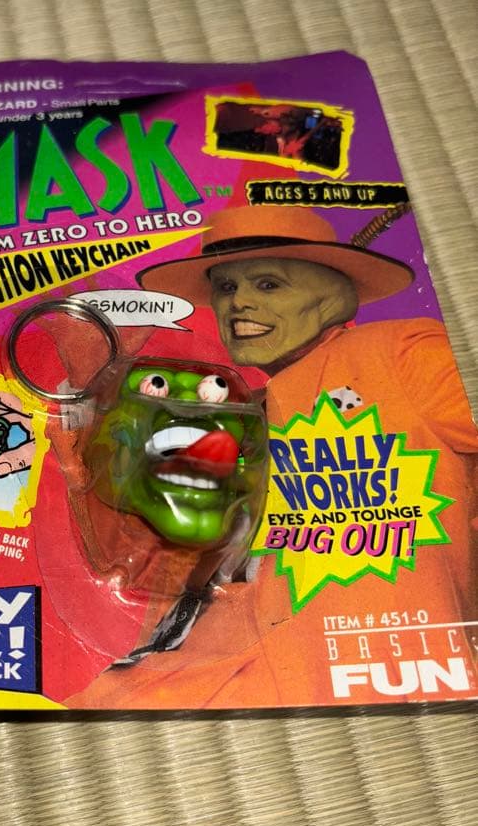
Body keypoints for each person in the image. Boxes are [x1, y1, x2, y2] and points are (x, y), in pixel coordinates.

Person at [67, 205, 478, 708]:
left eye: (268, 285)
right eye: (226, 287)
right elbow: (153, 551)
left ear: (329, 294)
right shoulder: (233, 410)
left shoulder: (401, 354)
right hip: (199, 674)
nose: (238, 303)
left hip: (370, 678)